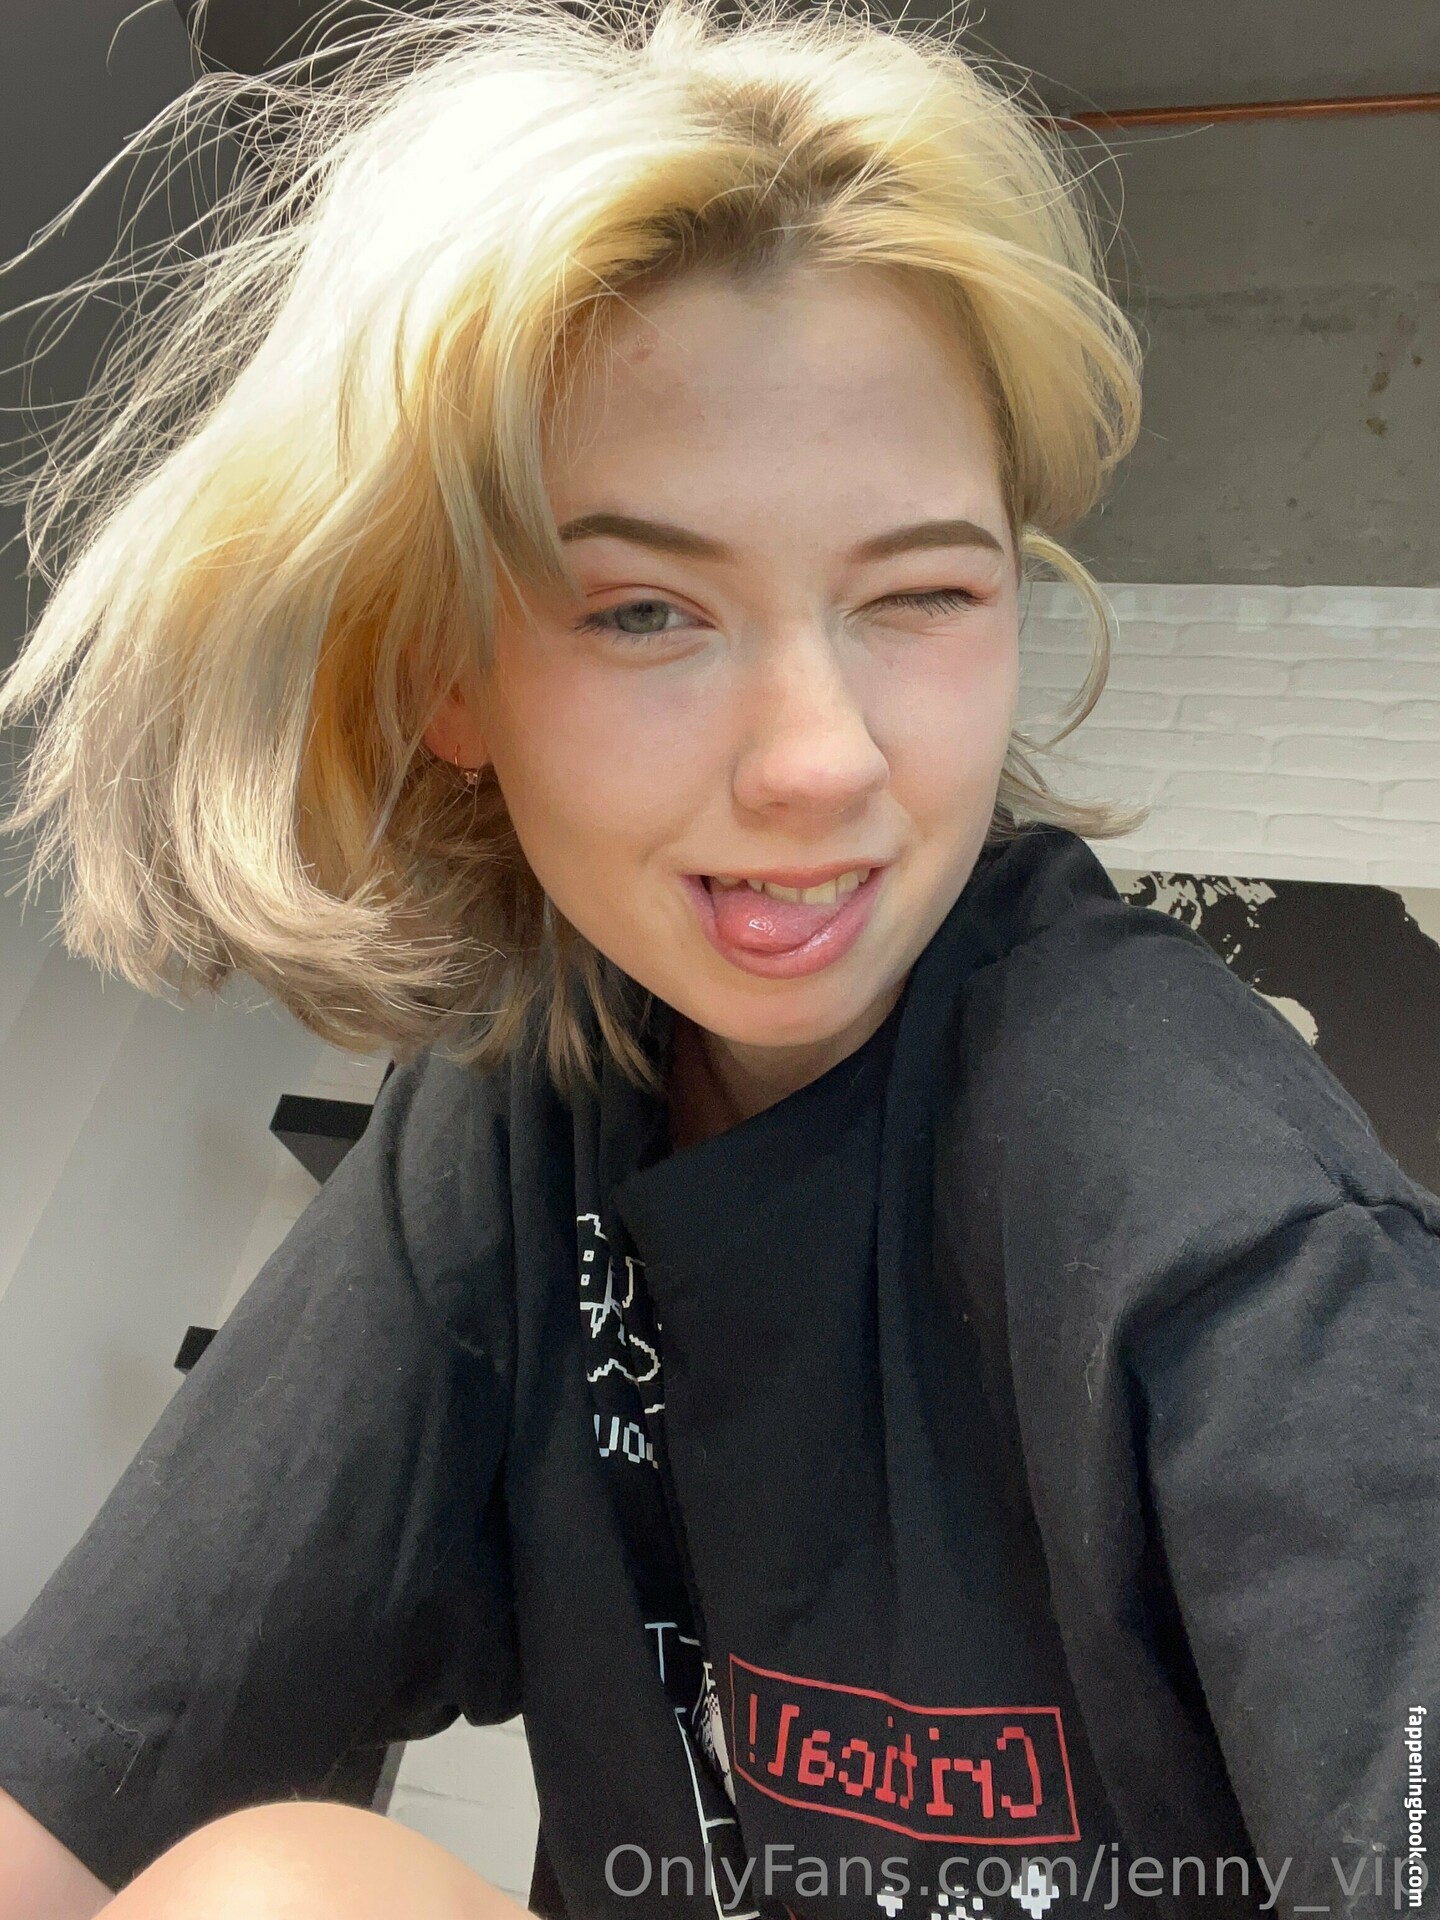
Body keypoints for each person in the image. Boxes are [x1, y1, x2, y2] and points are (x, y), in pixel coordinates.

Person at [1, 2, 1437, 1917]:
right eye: (646, 611)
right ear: (450, 680)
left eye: (921, 592)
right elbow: (70, 1788)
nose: (821, 762)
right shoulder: (522, 1124)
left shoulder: (1217, 1207)